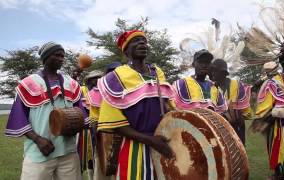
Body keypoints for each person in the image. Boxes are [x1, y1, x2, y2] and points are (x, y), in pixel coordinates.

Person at [4, 41, 89, 180]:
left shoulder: (72, 84)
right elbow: (19, 118)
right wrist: (38, 140)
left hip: (68, 152)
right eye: (57, 55)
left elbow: (82, 114)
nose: (61, 59)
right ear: (45, 57)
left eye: (63, 56)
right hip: (39, 152)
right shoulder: (28, 84)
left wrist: (79, 125)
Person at [97, 30, 175, 180]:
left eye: (144, 41)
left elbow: (168, 107)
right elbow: (116, 124)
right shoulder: (115, 78)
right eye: (136, 41)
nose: (142, 43)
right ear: (126, 50)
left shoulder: (157, 72)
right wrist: (150, 140)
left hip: (163, 143)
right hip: (135, 147)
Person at [210, 59, 251, 145]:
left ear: (223, 73)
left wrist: (236, 116)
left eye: (215, 71)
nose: (212, 73)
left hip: (237, 127)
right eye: (212, 71)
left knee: (237, 152)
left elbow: (246, 111)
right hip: (218, 128)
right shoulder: (211, 88)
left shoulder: (237, 85)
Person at [78, 70, 104, 180]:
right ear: (88, 81)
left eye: (98, 78)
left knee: (99, 154)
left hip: (101, 127)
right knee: (88, 156)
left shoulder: (103, 91)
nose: (96, 81)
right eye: (93, 79)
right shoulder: (82, 91)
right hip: (85, 130)